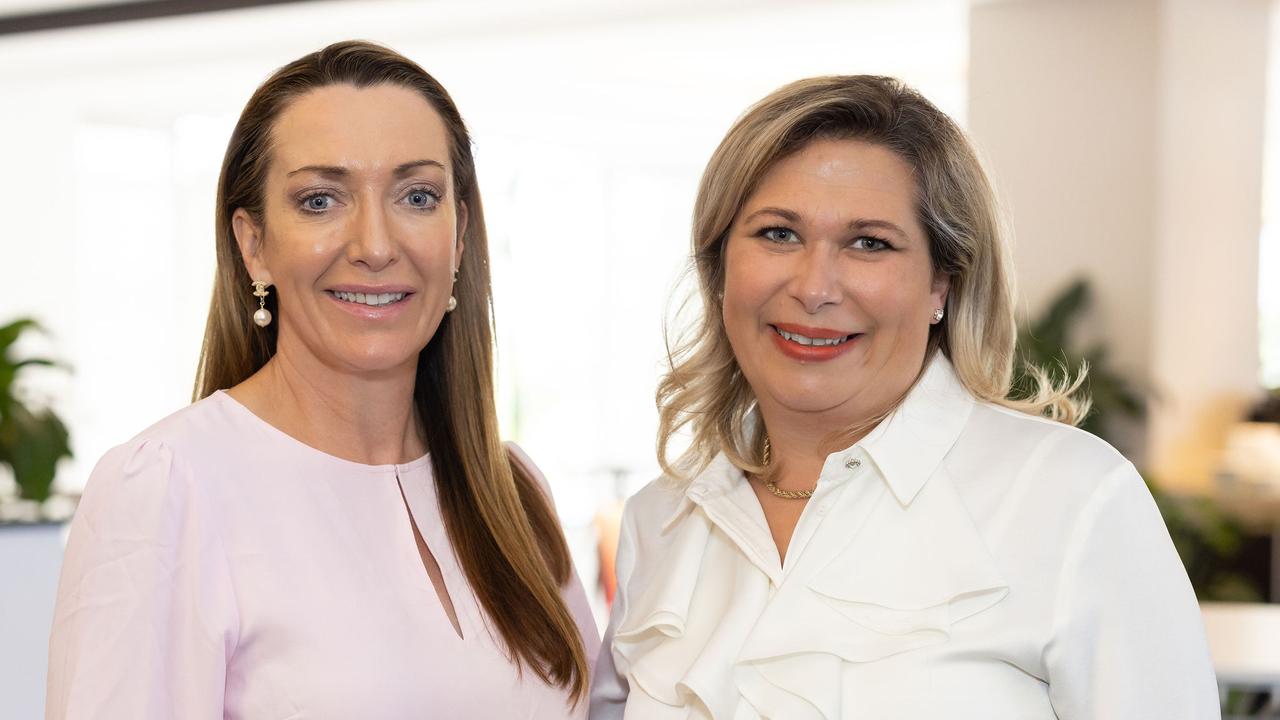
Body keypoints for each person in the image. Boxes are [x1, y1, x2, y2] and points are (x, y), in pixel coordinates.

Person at [589, 75, 1219, 719]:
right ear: (721, 266)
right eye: (779, 233)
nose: (814, 287)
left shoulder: (1074, 498)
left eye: (870, 243)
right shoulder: (660, 520)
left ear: (941, 285)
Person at [47, 41, 597, 719]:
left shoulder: (512, 491)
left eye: (417, 195)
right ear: (254, 246)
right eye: (320, 200)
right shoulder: (168, 489)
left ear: (458, 240)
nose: (374, 244)